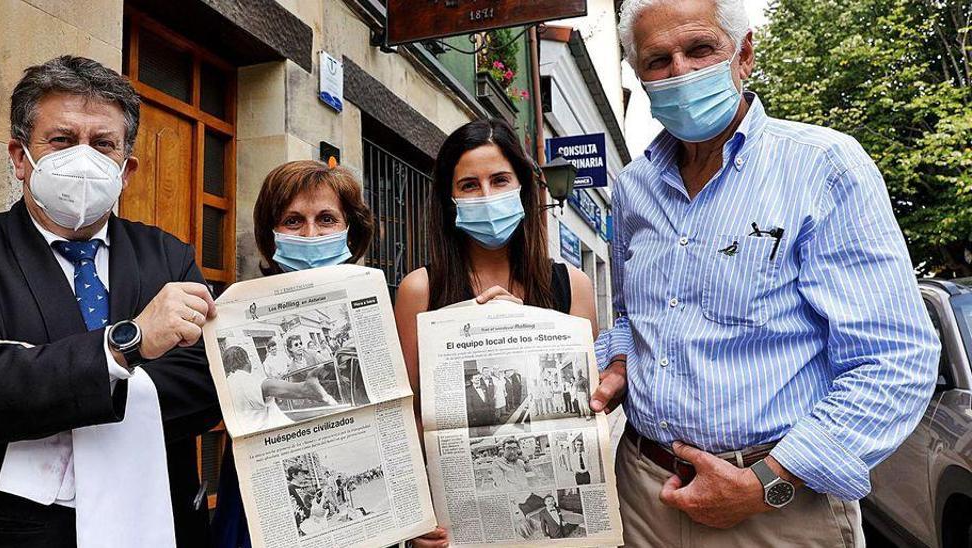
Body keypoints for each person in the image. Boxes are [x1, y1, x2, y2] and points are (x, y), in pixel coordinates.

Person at [588, 1, 941, 545]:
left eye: (700, 49)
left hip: (776, 507)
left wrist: (765, 483)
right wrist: (618, 359)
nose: (680, 71)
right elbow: (632, 316)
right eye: (658, 60)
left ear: (743, 54)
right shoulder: (634, 187)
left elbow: (896, 357)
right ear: (640, 75)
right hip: (644, 490)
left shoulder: (823, 165)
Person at [0, 55, 221, 546]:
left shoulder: (169, 255)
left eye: (103, 144)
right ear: (19, 156)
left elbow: (208, 383)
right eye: (61, 140)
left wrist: (37, 376)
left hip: (160, 525)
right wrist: (125, 348)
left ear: (126, 169)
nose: (84, 158)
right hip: (25, 534)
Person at [395, 118, 601, 548]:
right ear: (449, 199)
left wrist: (524, 332)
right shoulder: (420, 290)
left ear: (524, 187)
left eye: (500, 179)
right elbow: (407, 417)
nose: (486, 196)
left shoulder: (573, 285)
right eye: (469, 185)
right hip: (456, 527)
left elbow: (587, 409)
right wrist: (416, 517)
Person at [212, 160, 375, 548]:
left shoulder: (382, 306)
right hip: (260, 499)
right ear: (271, 237)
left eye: (326, 219)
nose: (311, 233)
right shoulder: (232, 311)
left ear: (350, 233)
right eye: (292, 221)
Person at [222, 345, 334, 432]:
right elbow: (268, 386)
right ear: (247, 360)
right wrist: (304, 388)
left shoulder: (225, 386)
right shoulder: (247, 380)